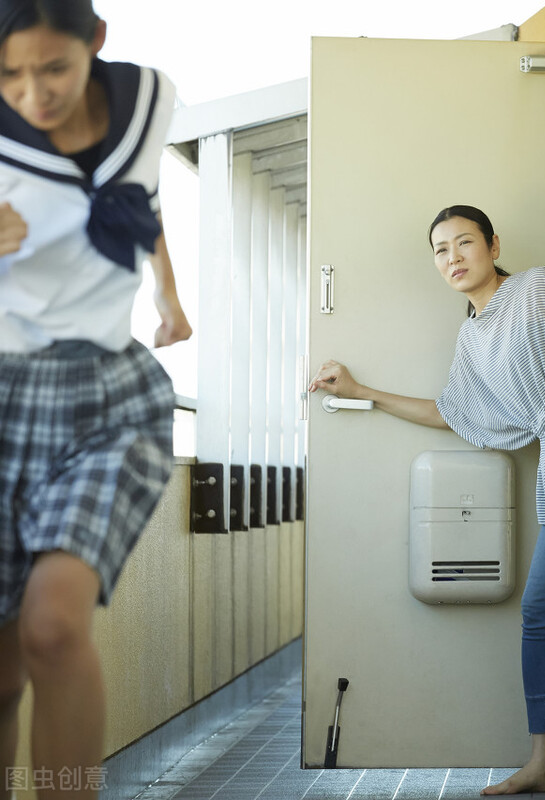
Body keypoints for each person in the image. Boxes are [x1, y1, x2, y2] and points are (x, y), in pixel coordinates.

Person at [309, 204, 545, 796]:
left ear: (493, 244)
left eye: (464, 243)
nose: (452, 257)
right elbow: (450, 413)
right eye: (440, 249)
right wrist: (361, 391)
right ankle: (544, 763)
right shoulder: (473, 339)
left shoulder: (538, 287)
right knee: (538, 611)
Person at [0, 2, 189, 798]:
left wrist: (170, 298)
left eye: (53, 69)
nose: (32, 93)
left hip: (109, 398)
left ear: (96, 47)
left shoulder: (149, 99)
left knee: (52, 626)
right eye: (9, 74)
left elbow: (137, 202)